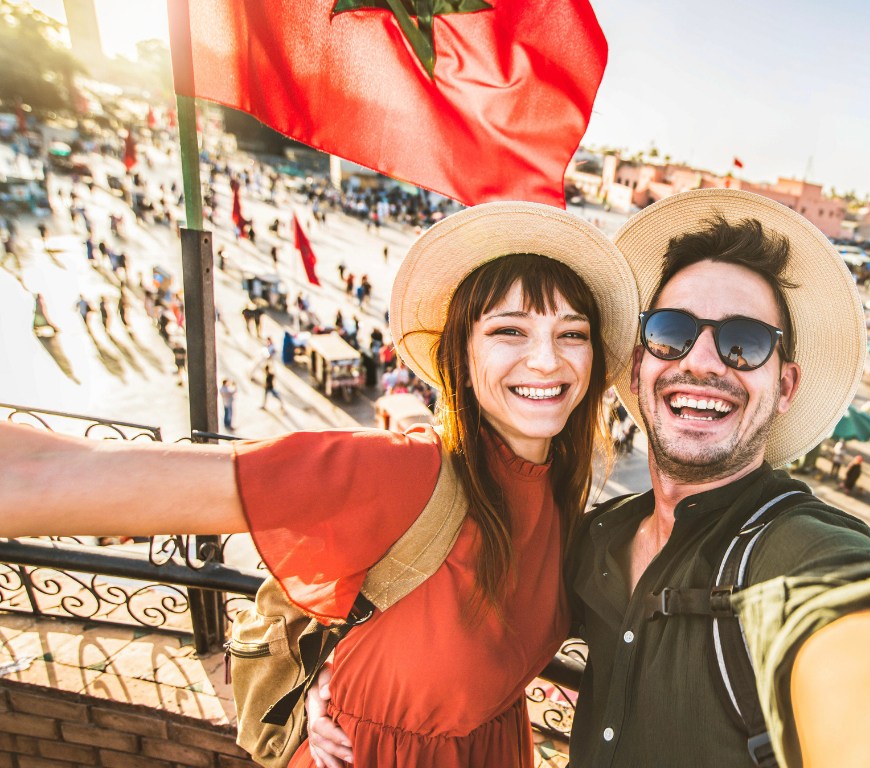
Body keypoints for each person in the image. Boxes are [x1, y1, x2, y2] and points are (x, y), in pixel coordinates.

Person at [313, 190, 870, 768]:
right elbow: (470, 614)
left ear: (786, 384)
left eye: (742, 343)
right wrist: (341, 684)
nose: (703, 362)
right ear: (637, 365)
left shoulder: (795, 552)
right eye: (673, 332)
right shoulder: (596, 539)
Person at [1, 202, 640, 768]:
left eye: (572, 334)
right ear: (461, 358)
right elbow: (59, 476)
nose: (547, 359)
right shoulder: (404, 471)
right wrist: (343, 691)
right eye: (510, 330)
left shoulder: (563, 490)